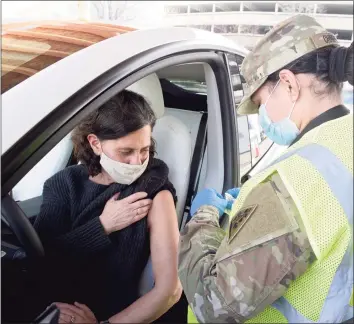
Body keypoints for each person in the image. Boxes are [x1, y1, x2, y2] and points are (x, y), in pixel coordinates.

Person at [178, 14, 353, 323]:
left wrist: (202, 219)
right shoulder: (343, 140)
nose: (262, 116)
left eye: (260, 103)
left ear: (288, 83)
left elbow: (215, 305)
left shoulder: (301, 177)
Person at [34, 90, 182, 323]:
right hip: (51, 308)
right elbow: (42, 261)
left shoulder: (155, 192)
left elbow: (170, 290)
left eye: (144, 150)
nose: (138, 162)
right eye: (126, 152)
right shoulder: (64, 184)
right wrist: (102, 226)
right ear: (95, 143)